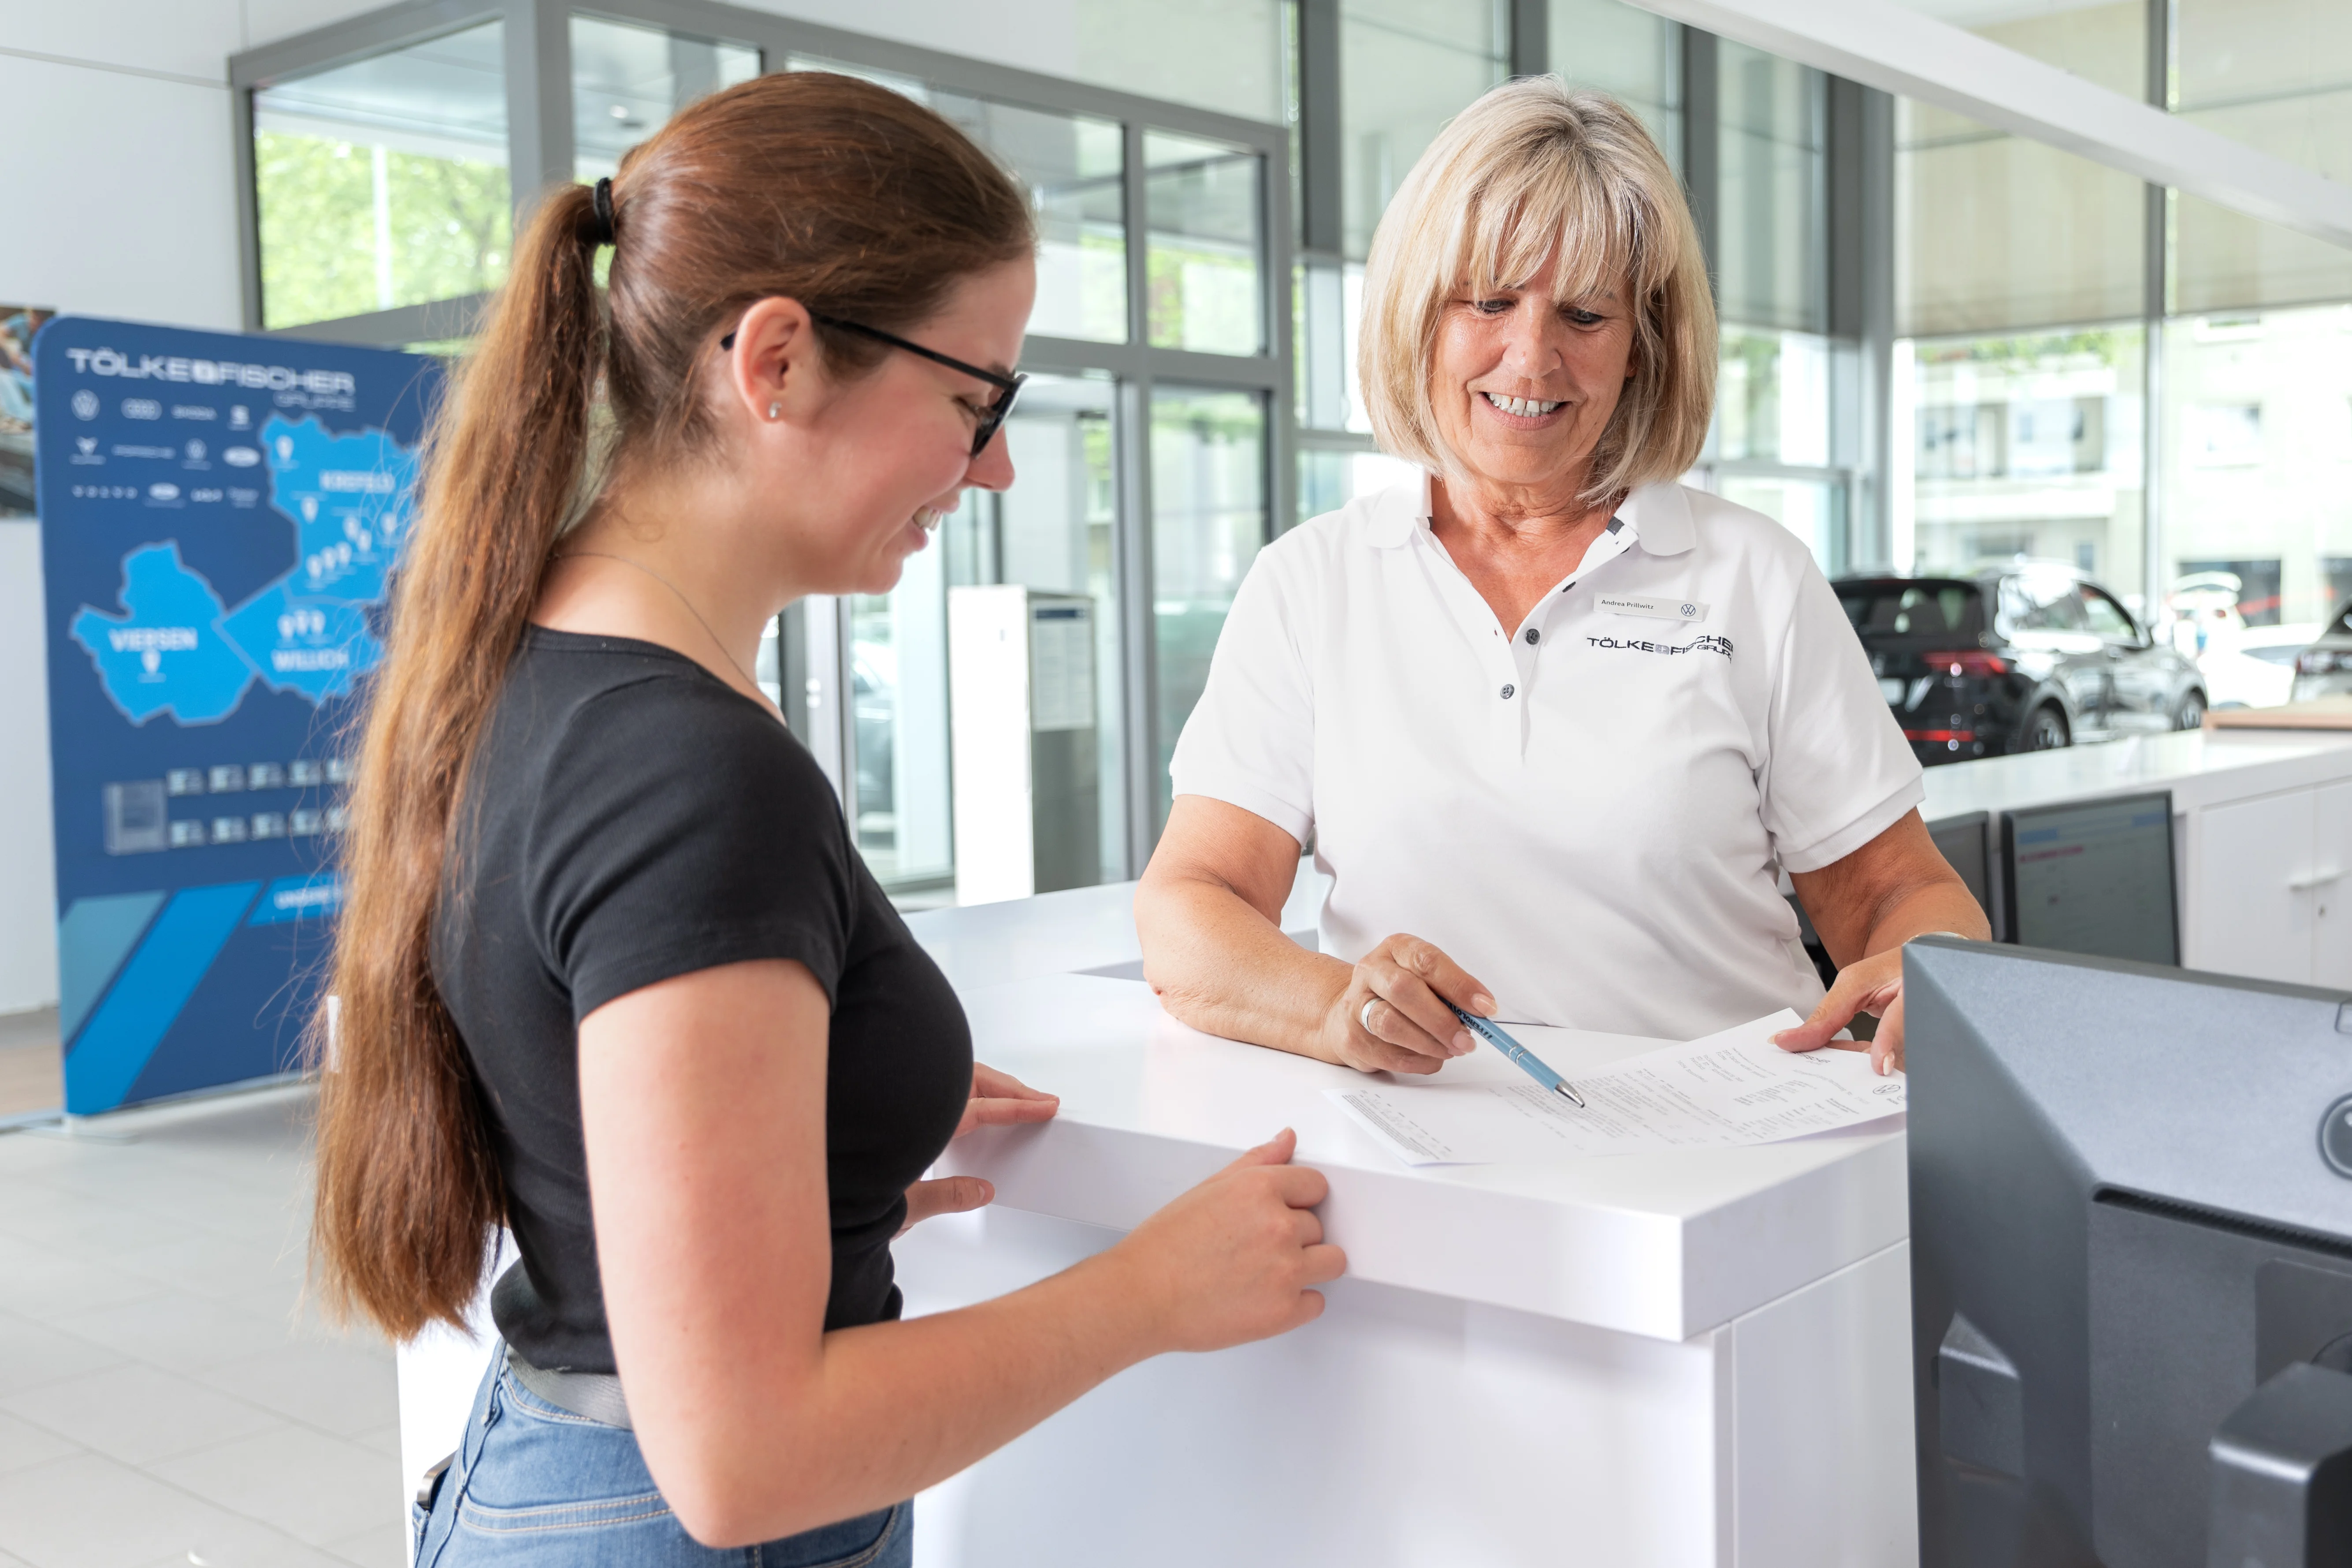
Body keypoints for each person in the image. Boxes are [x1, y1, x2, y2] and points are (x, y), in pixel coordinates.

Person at [312, 72, 1342, 1568]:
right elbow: (745, 1456)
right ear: (777, 358)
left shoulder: (539, 663)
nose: (989, 464)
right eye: (972, 400)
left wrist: (829, 1134)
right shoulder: (684, 768)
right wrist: (1150, 1290)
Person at [1135, 78, 1987, 1082]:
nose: (1530, 357)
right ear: (1418, 318)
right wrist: (1335, 1007)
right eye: (1488, 302)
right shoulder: (1313, 583)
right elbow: (1192, 908)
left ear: (1641, 348)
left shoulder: (1754, 577)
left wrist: (1927, 974)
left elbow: (1901, 894)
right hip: (1429, 1165)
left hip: (1729, 1167)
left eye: (1584, 315)